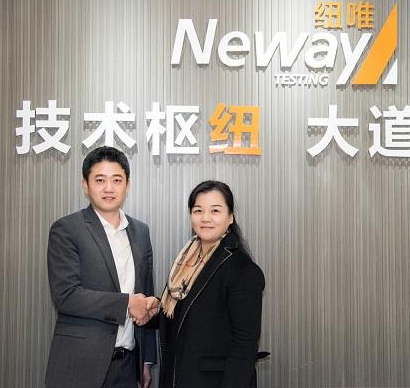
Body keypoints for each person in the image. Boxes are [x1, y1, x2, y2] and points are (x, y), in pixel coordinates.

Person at [45, 146, 159, 388]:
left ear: (127, 185)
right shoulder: (67, 229)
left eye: (117, 180)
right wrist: (127, 303)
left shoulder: (141, 231)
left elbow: (145, 295)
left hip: (128, 366)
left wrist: (146, 360)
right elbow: (66, 296)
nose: (109, 188)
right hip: (80, 366)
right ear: (85, 185)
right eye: (100, 180)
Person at [156, 180, 265, 388]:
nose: (205, 218)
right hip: (178, 378)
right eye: (198, 210)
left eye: (215, 210)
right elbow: (183, 316)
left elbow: (245, 345)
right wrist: (154, 308)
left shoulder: (242, 270)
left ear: (230, 217)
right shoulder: (186, 263)